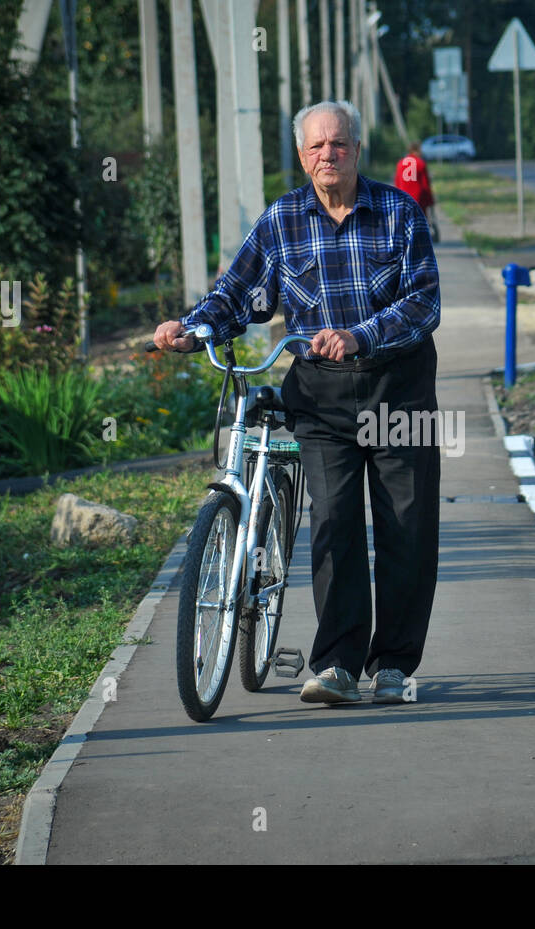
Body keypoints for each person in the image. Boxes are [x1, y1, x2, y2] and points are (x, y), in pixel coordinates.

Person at [152, 100, 441, 706]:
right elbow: (240, 294)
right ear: (303, 155)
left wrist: (362, 334)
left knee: (405, 529)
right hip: (322, 395)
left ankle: (392, 666)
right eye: (315, 147)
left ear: (357, 150)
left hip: (398, 389)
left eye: (338, 145)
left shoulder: (398, 213)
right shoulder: (283, 220)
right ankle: (336, 665)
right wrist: (194, 327)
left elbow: (422, 304)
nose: (327, 155)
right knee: (333, 522)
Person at [394, 141, 440, 242]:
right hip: (418, 198)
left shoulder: (400, 163)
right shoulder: (421, 163)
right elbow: (425, 185)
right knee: (420, 223)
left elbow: (397, 182)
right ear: (417, 150)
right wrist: (430, 200)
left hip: (403, 197)